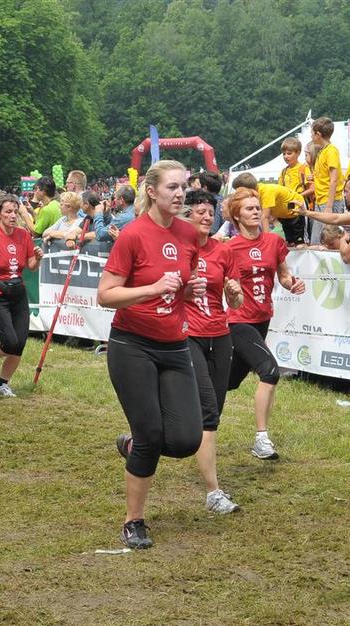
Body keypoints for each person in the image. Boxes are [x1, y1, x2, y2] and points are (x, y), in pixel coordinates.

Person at [97, 159, 207, 550]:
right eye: (172, 187)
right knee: (151, 435)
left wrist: (187, 291)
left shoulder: (189, 233)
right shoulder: (132, 235)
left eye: (183, 187)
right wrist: (153, 288)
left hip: (174, 345)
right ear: (151, 191)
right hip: (132, 346)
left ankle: (132, 445)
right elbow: (105, 295)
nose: (180, 194)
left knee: (186, 440)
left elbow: (179, 285)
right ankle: (134, 521)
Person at [225, 188, 305, 461]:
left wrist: (292, 284)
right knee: (269, 372)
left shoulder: (274, 242)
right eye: (249, 208)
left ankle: (191, 402)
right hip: (238, 321)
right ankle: (261, 439)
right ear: (237, 216)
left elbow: (283, 275)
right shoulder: (229, 248)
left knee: (228, 382)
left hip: (263, 318)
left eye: (257, 207)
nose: (256, 212)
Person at [181, 189, 244, 514]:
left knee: (212, 414)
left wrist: (233, 293)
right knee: (207, 411)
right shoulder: (178, 250)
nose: (207, 217)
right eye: (200, 211)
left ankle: (144, 442)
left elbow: (237, 302)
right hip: (188, 336)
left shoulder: (223, 251)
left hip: (220, 336)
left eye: (210, 212)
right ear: (187, 215)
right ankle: (213, 492)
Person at [0, 194, 44, 398]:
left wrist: (38, 258)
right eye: (8, 212)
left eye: (15, 212)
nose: (13, 216)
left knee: (19, 344)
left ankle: (1, 384)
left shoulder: (23, 235)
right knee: (10, 342)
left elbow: (30, 266)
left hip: (18, 291)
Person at [304, 173, 350, 264]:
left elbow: (347, 257)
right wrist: (306, 212)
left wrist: (343, 238)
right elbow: (336, 218)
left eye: (346, 192)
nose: (344, 195)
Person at [230, 173, 305, 245]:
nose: (238, 194)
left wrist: (265, 240)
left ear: (249, 189)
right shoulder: (256, 192)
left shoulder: (266, 191)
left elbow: (265, 217)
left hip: (298, 211)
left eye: (239, 191)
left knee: (300, 243)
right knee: (290, 242)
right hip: (284, 215)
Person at [309, 116, 345, 245]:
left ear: (318, 134)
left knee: (329, 239)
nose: (311, 136)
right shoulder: (321, 152)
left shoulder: (331, 151)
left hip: (330, 201)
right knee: (317, 240)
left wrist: (329, 206)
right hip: (321, 200)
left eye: (312, 133)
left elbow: (333, 180)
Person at [278, 136, 314, 212]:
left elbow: (312, 189)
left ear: (298, 153)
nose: (286, 156)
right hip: (288, 205)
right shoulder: (283, 172)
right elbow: (280, 190)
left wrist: (297, 196)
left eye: (289, 153)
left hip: (301, 204)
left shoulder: (304, 168)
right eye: (284, 154)